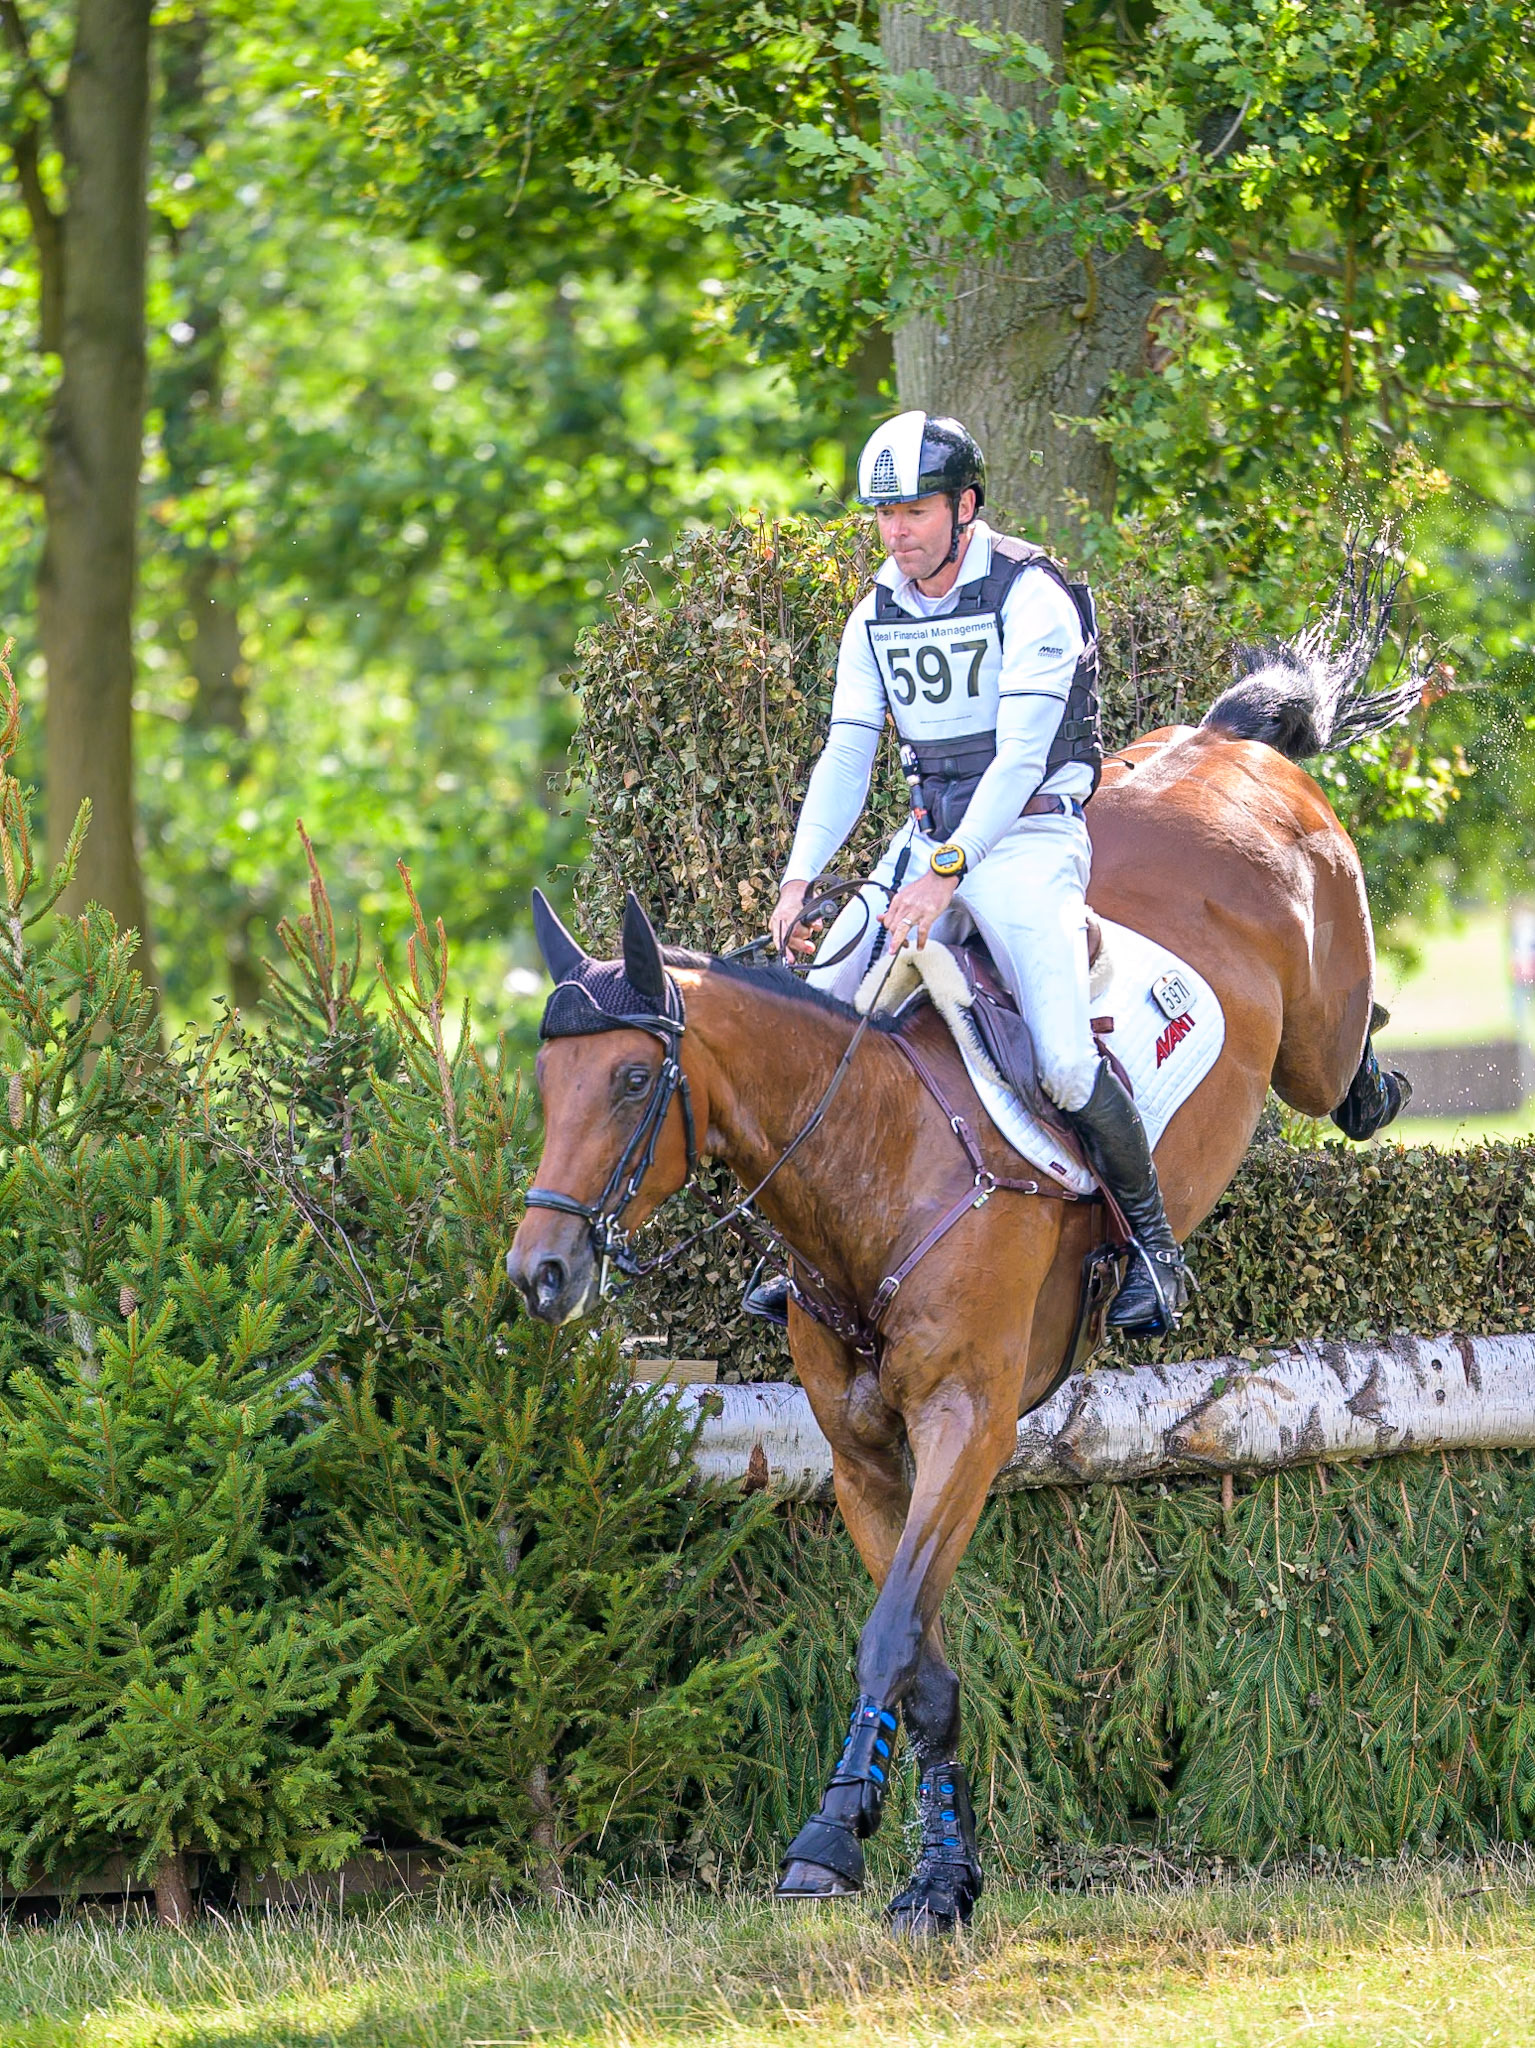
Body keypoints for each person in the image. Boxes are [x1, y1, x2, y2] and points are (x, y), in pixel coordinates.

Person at [743, 410, 1192, 1336]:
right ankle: (802, 1259)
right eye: (883, 514)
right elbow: (846, 751)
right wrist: (797, 879)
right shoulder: (875, 610)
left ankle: (1152, 1245)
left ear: (964, 506)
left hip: (1025, 841)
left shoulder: (1031, 596)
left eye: (912, 510)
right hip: (924, 839)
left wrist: (945, 874)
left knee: (1064, 1060)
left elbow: (1020, 761)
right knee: (819, 1015)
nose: (895, 530)